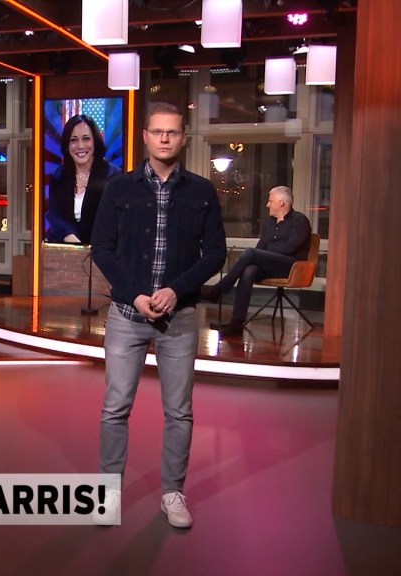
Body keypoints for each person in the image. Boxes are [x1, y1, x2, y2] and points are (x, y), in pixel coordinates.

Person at [90, 103, 227, 528]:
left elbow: (215, 254)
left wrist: (175, 290)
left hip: (179, 317)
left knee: (179, 411)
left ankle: (172, 493)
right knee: (115, 407)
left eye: (172, 132)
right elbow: (102, 249)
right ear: (146, 137)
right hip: (126, 314)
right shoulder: (118, 188)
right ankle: (109, 492)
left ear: (183, 137)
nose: (165, 138)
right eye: (157, 131)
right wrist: (135, 294)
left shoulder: (202, 192)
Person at [200, 186, 312, 336]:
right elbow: (261, 247)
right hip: (271, 264)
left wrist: (263, 253)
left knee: (251, 252)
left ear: (281, 203)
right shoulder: (269, 222)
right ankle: (237, 322)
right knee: (249, 270)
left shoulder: (300, 220)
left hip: (291, 266)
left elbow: (291, 247)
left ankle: (219, 289)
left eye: (270, 201)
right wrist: (260, 255)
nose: (267, 204)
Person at [45, 114, 121, 244]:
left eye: (86, 139)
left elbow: (113, 220)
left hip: (102, 247)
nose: (80, 146)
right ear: (67, 145)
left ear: (95, 141)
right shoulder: (58, 176)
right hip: (66, 246)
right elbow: (55, 215)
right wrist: (69, 236)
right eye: (73, 140)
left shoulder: (113, 176)